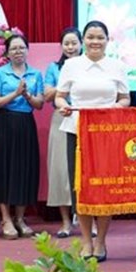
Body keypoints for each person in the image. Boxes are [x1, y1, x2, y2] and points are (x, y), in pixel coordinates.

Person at [54, 21, 130, 262]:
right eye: (90, 37)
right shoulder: (71, 65)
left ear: (108, 40)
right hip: (76, 132)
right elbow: (59, 97)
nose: (95, 41)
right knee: (81, 187)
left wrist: (117, 108)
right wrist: (63, 106)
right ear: (83, 40)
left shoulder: (117, 66)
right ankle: (86, 241)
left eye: (100, 37)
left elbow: (125, 98)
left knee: (104, 187)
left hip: (106, 134)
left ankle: (101, 241)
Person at [0, 34, 44, 240]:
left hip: (25, 125)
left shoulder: (36, 74)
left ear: (27, 50)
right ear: (7, 52)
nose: (18, 51)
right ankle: (6, 219)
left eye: (21, 48)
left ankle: (20, 219)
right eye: (14, 48)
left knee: (23, 171)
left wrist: (27, 95)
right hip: (3, 124)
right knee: (4, 171)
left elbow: (39, 104)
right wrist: (16, 94)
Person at [43, 27, 82, 238]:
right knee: (60, 171)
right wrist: (65, 86)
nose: (70, 47)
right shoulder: (53, 68)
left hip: (85, 117)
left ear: (81, 44)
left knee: (85, 171)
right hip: (62, 117)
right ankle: (66, 222)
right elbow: (47, 94)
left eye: (74, 43)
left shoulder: (89, 66)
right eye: (66, 43)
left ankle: (89, 221)